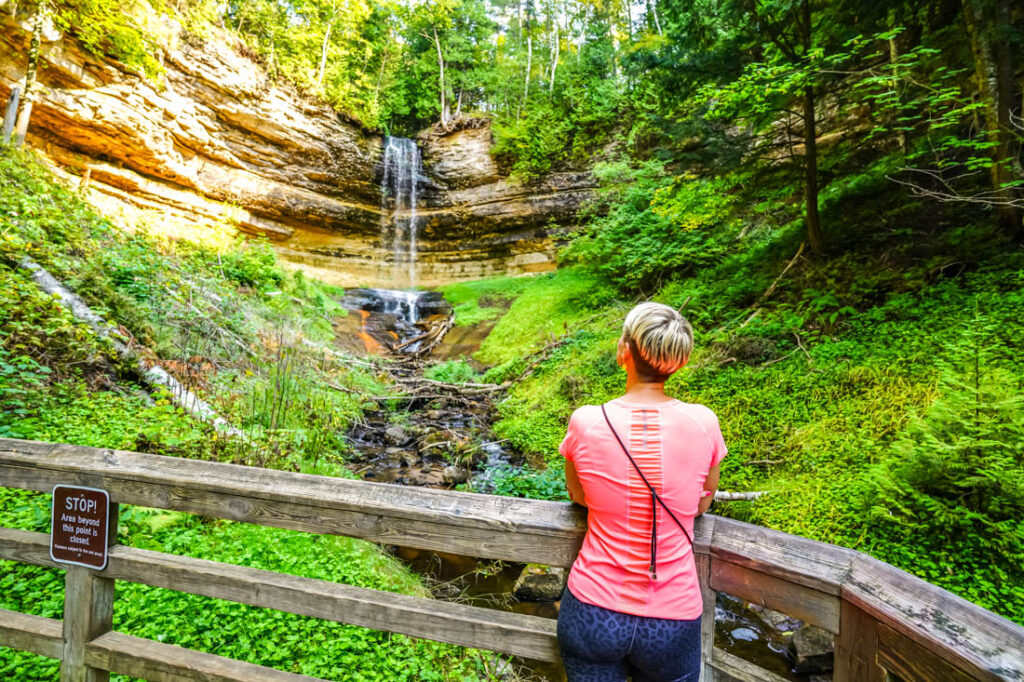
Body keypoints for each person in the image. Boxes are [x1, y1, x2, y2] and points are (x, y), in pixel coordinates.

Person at [557, 302, 727, 682]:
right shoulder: (704, 422)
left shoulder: (586, 421)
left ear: (624, 352)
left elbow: (577, 495)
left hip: (593, 608)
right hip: (672, 617)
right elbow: (703, 501)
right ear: (678, 363)